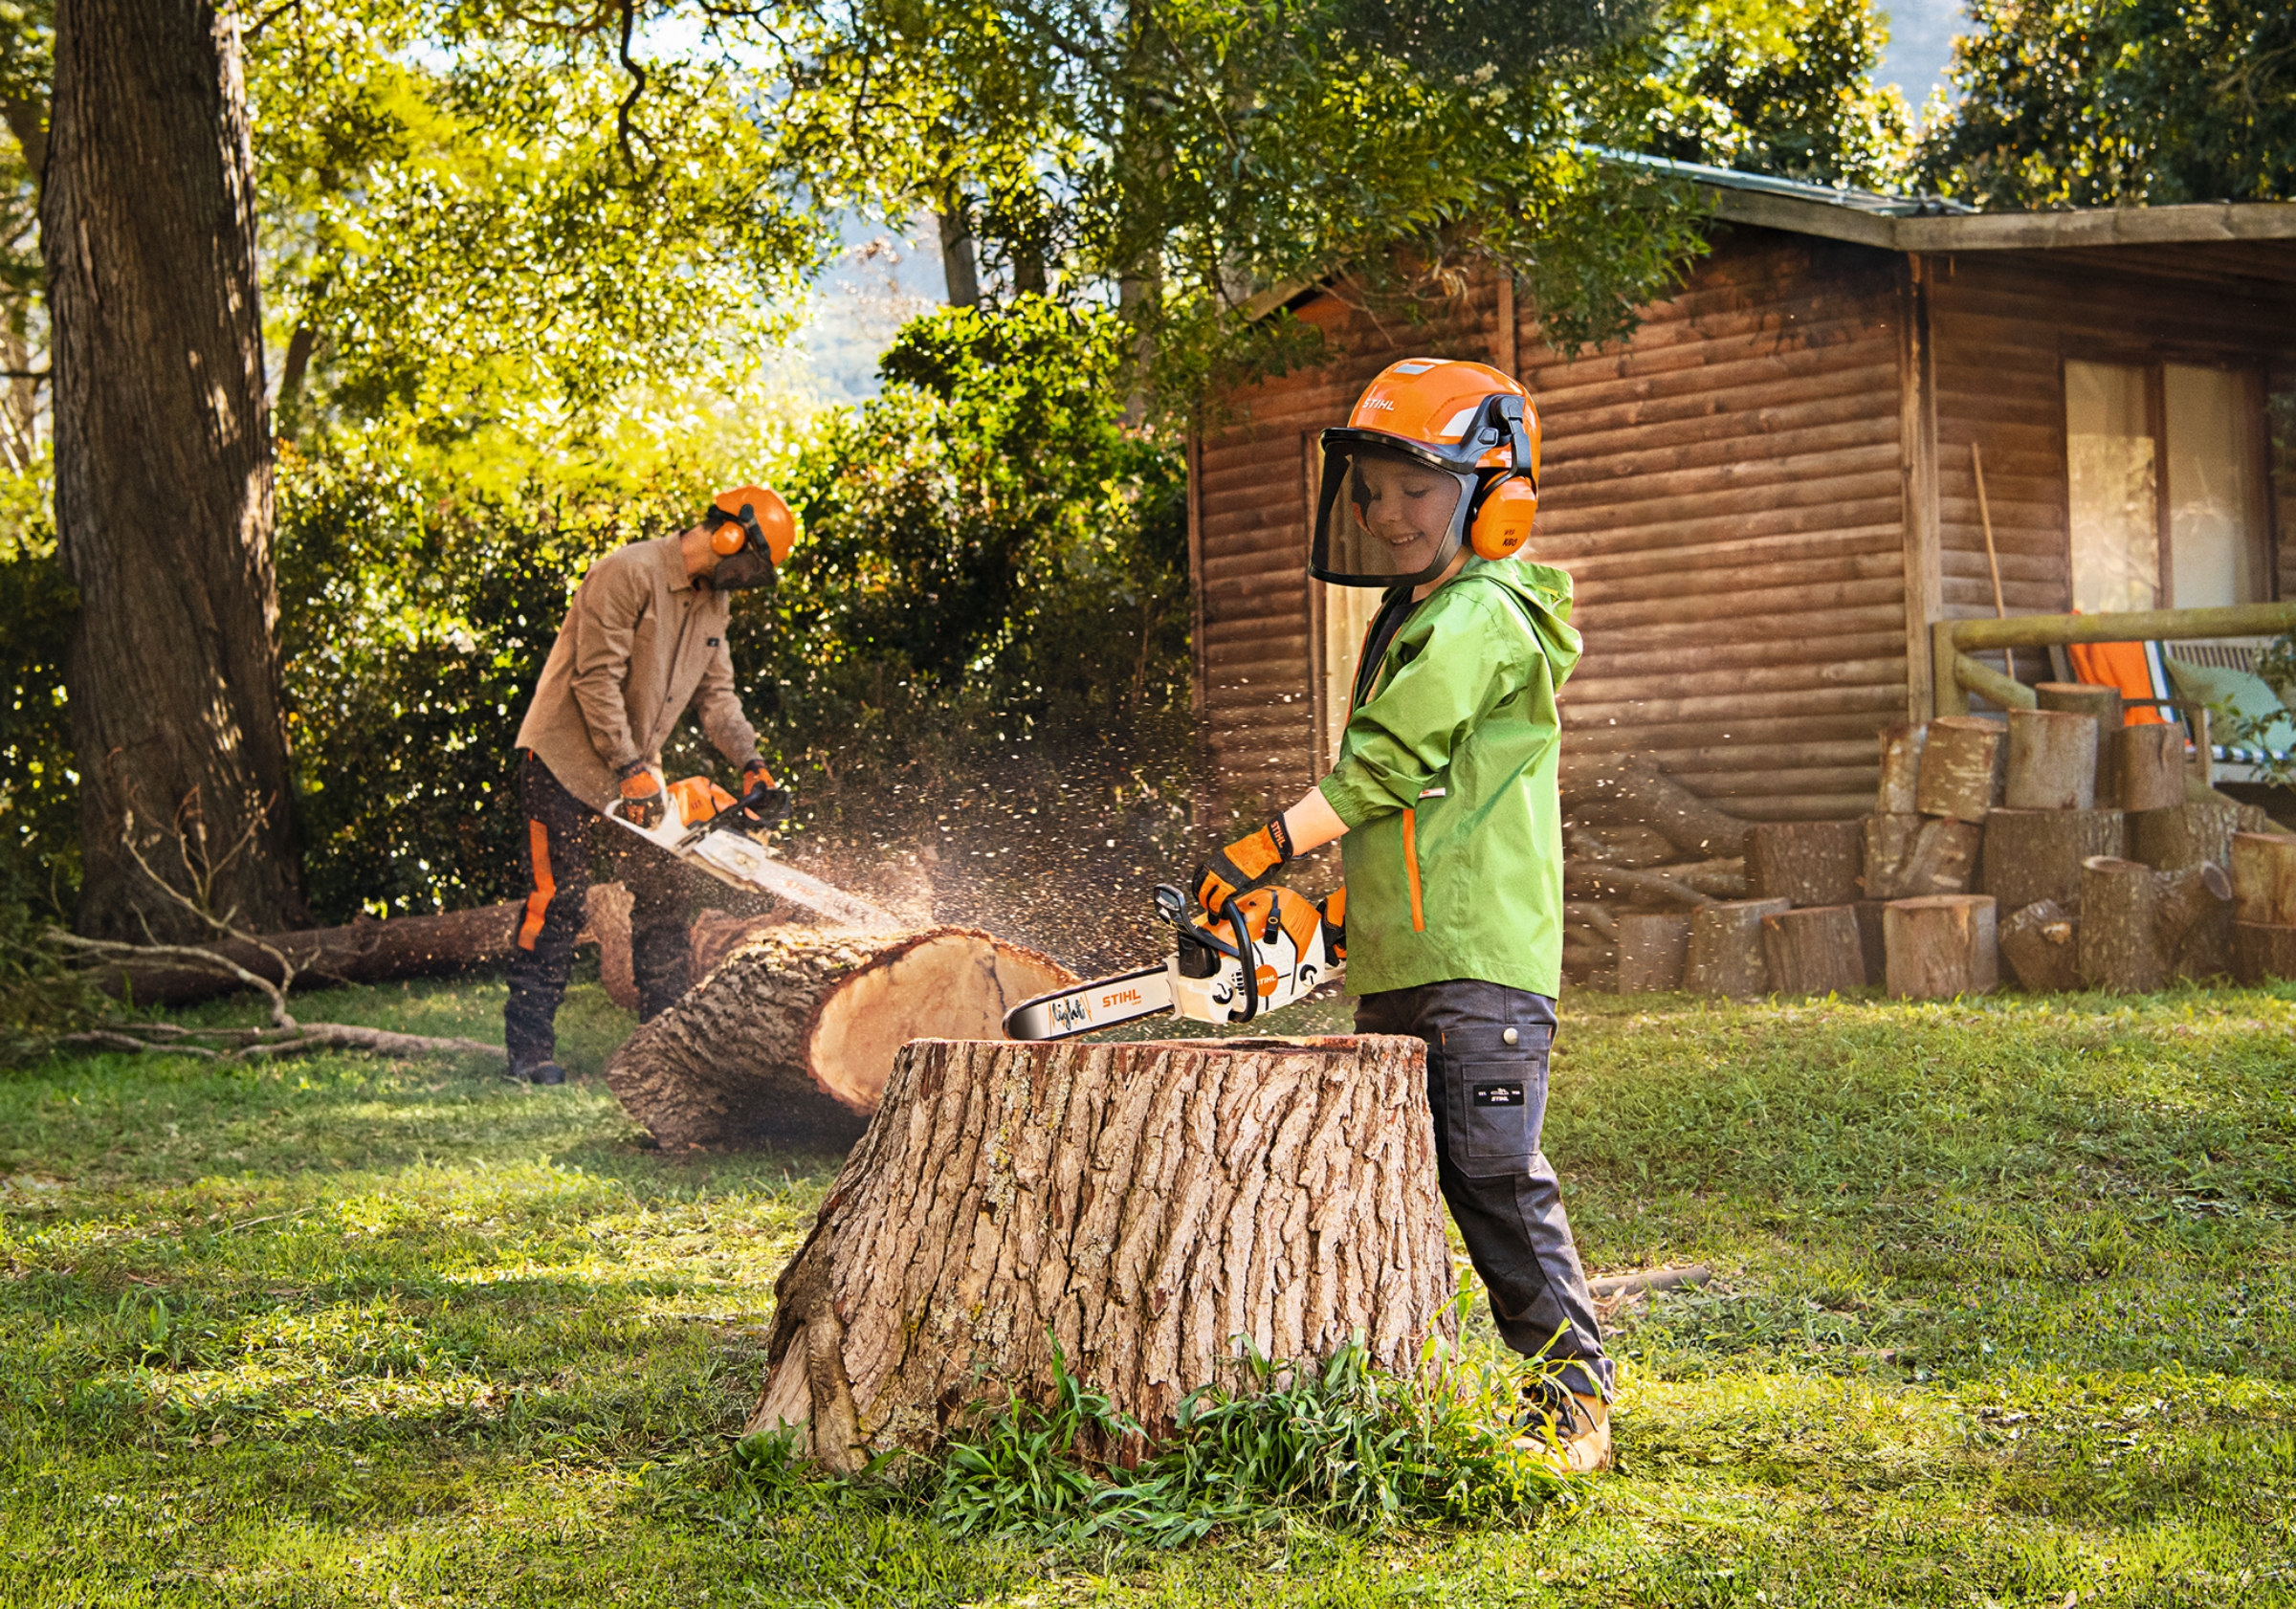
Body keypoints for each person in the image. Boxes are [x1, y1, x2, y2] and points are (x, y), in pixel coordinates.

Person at [1191, 358, 1614, 1472]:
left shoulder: (1479, 615)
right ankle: (1401, 1375)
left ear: (1493, 492)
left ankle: (1575, 1402)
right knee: (1401, 1180)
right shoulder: (1414, 613)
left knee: (1495, 1179)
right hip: (1413, 954)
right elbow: (1424, 818)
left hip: (1479, 966)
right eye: (1375, 489)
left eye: (1415, 489)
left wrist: (1264, 846)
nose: (1387, 513)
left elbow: (1385, 769)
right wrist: (1334, 919)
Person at [501, 486, 797, 1086]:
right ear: (729, 536)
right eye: (750, 569)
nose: (745, 581)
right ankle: (528, 1052)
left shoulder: (713, 606)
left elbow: (718, 698)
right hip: (562, 758)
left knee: (664, 900)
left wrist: (750, 760)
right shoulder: (627, 573)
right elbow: (594, 679)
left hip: (637, 769)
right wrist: (629, 765)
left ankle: (664, 1043)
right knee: (557, 900)